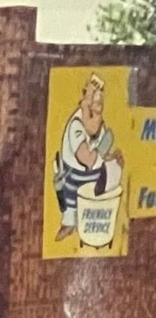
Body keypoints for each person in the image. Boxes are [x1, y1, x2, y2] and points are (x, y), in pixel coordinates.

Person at [53, 73, 124, 242]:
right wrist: (101, 151)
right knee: (73, 206)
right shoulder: (77, 126)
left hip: (93, 178)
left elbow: (100, 154)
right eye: (94, 105)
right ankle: (69, 224)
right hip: (73, 177)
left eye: (100, 105)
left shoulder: (98, 124)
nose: (97, 110)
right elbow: (87, 158)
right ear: (85, 105)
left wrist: (112, 159)